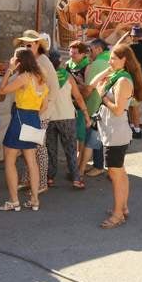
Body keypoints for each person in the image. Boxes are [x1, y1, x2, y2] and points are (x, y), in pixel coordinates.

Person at [90, 44, 142, 228]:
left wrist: (102, 96)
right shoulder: (115, 76)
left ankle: (117, 214)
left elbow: (117, 110)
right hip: (112, 132)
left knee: (115, 173)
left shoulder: (122, 81)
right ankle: (122, 207)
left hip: (116, 133)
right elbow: (92, 84)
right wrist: (109, 68)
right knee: (119, 171)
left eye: (113, 58)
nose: (110, 60)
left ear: (124, 60)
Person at [0, 47, 49, 212]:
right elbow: (44, 106)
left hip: (20, 118)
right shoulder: (41, 78)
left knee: (10, 160)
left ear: (19, 61)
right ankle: (34, 200)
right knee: (31, 162)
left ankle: (14, 201)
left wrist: (9, 70)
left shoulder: (23, 77)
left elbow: (2, 90)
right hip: (34, 118)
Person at [16, 30, 58, 192]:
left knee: (38, 148)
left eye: (29, 45)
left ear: (37, 45)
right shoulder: (37, 60)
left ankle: (41, 183)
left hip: (40, 112)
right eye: (24, 45)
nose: (26, 47)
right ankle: (29, 179)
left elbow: (52, 89)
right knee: (30, 147)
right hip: (36, 111)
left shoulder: (42, 61)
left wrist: (42, 110)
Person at [46, 50, 89, 189]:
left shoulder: (44, 77)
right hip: (67, 117)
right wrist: (86, 114)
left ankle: (50, 177)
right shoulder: (68, 76)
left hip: (50, 117)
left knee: (51, 149)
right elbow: (78, 97)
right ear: (59, 62)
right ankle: (76, 178)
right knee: (70, 149)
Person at [80, 38, 111, 179]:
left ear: (98, 50)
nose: (88, 53)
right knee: (100, 138)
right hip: (107, 106)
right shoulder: (110, 60)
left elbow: (88, 89)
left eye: (90, 50)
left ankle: (97, 166)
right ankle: (99, 165)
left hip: (97, 106)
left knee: (93, 139)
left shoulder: (97, 64)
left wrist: (79, 99)